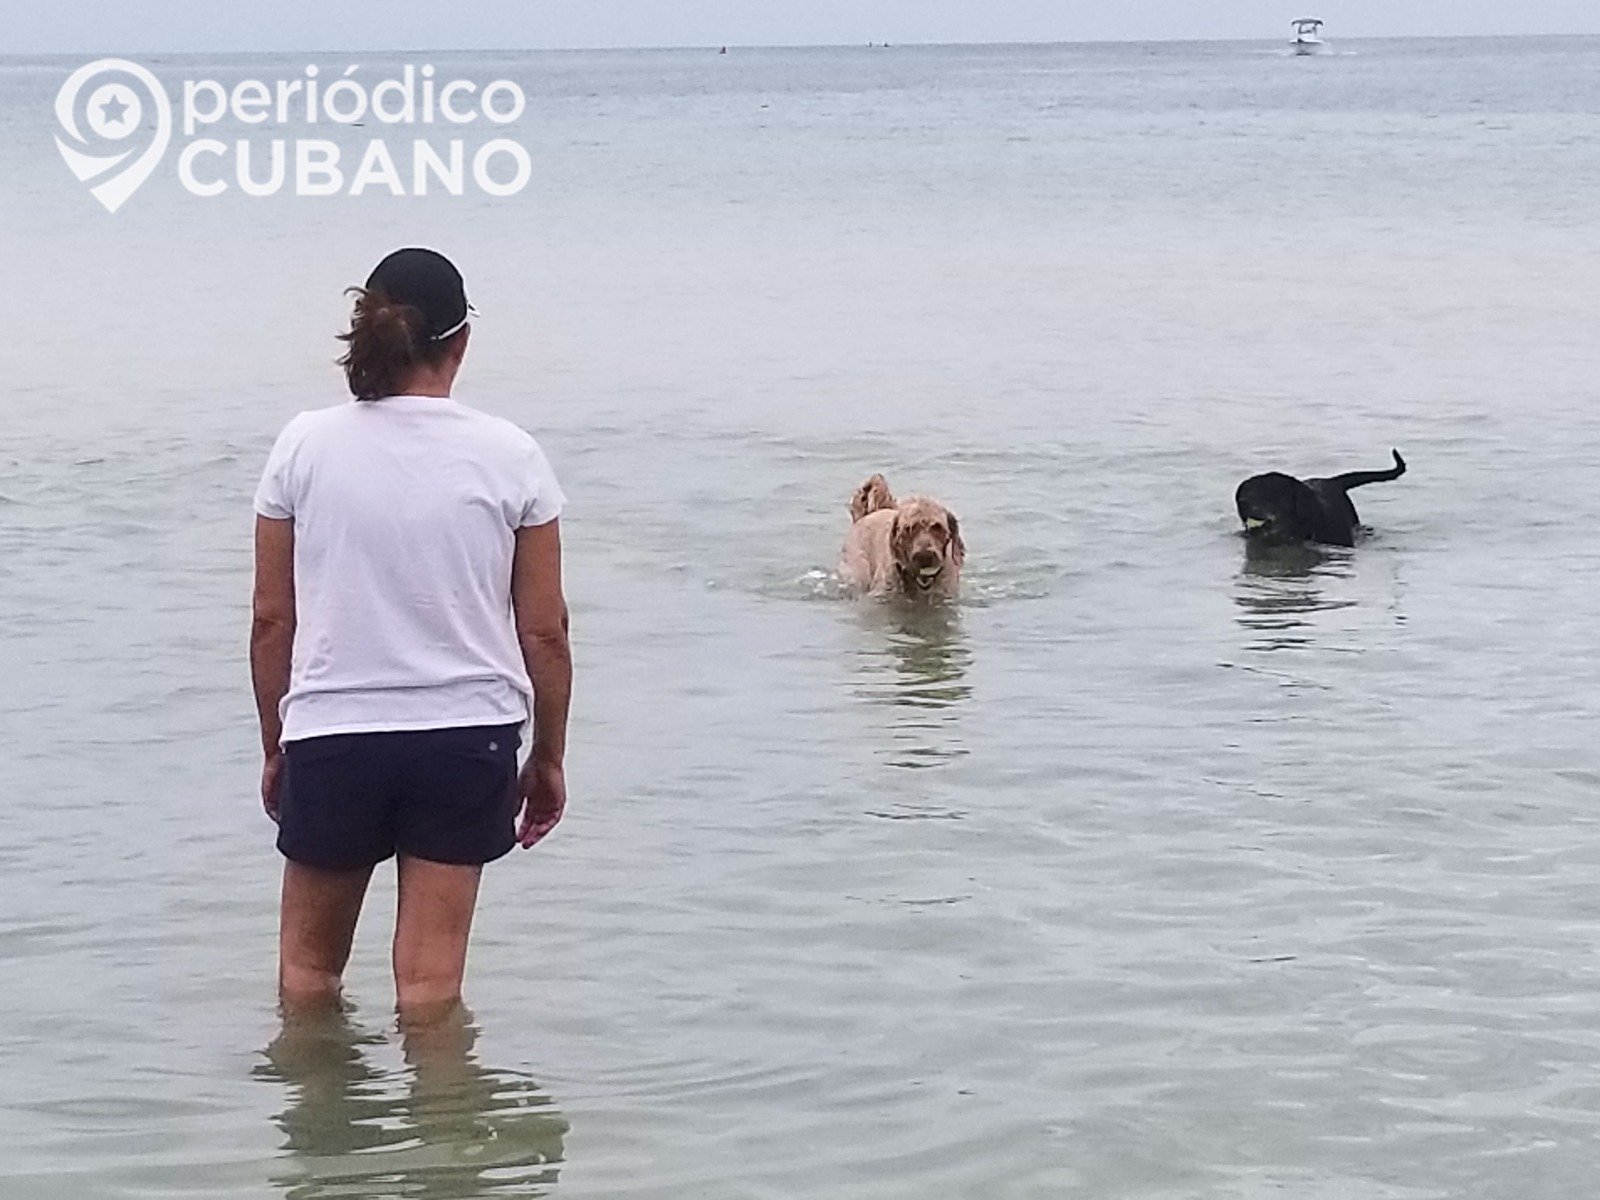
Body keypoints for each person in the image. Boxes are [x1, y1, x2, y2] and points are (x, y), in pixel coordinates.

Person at [250, 247, 571, 1023]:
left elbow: (271, 620)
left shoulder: (303, 445)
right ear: (461, 342)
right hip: (465, 739)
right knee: (430, 994)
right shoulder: (512, 454)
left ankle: (321, 1132)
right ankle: (443, 1140)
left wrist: (276, 743)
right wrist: (550, 757)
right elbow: (546, 632)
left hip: (336, 734)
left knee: (306, 978)